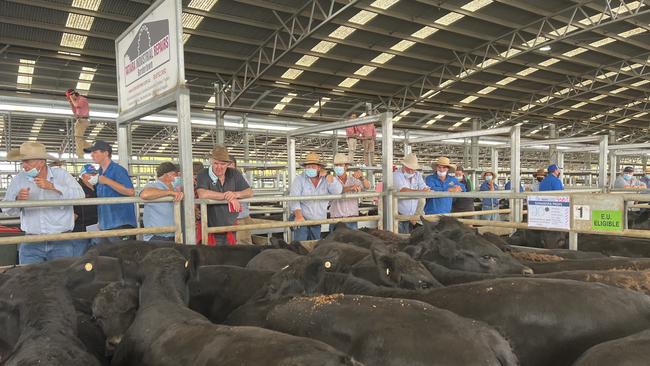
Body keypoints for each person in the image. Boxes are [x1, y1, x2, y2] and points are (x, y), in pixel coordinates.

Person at [2, 142, 84, 264]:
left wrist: (54, 187)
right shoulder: (19, 179)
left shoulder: (62, 175)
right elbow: (7, 209)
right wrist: (18, 201)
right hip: (31, 241)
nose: (24, 165)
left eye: (27, 161)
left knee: (61, 279)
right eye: (22, 162)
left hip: (61, 240)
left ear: (41, 161)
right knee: (27, 280)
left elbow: (81, 196)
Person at [196, 146, 253, 246]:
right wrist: (227, 196)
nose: (219, 167)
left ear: (228, 164)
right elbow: (202, 193)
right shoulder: (203, 174)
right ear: (211, 162)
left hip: (231, 228)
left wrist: (235, 194)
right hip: (210, 228)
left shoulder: (234, 173)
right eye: (216, 163)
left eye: (223, 164)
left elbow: (249, 192)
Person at [82, 140, 137, 240]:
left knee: (122, 254)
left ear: (106, 153)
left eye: (95, 152)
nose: (92, 155)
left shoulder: (118, 170)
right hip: (106, 225)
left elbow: (130, 192)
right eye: (91, 153)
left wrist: (107, 181)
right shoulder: (99, 172)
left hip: (121, 224)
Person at [288, 152, 343, 240]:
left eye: (313, 166)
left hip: (317, 220)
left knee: (315, 243)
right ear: (305, 168)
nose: (310, 168)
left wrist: (329, 177)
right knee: (301, 243)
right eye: (308, 166)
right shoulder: (299, 179)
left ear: (319, 168)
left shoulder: (326, 179)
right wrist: (298, 216)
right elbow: (294, 198)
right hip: (301, 217)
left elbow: (338, 191)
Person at [139, 162, 184, 241]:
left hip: (174, 234)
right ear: (167, 175)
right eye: (176, 175)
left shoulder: (177, 189)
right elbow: (144, 194)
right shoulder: (153, 186)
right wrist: (169, 193)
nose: (178, 177)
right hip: (156, 237)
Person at [329, 153, 371, 231]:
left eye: (340, 165)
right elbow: (336, 190)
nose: (338, 167)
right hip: (336, 219)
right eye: (336, 165)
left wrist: (362, 178)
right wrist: (351, 187)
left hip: (352, 218)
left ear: (346, 166)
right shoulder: (332, 181)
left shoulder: (353, 179)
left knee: (352, 241)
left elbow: (367, 186)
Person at [394, 153, 430, 234]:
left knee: (408, 237)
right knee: (401, 237)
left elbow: (424, 187)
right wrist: (420, 192)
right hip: (399, 215)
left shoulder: (417, 175)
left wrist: (425, 190)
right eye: (408, 168)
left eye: (413, 169)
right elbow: (402, 190)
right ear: (403, 166)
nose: (411, 171)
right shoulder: (396, 175)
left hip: (412, 216)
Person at [72, 163, 99, 254]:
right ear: (83, 175)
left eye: (95, 174)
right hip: (80, 229)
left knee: (96, 255)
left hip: (96, 227)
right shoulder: (76, 188)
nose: (94, 176)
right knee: (80, 256)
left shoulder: (98, 188)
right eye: (91, 174)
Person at [229, 157, 254, 245]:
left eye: (231, 164)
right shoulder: (219, 177)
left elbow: (249, 192)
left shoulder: (240, 177)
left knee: (243, 243)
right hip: (225, 217)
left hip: (241, 216)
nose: (229, 167)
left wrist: (235, 195)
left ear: (235, 166)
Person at [65, 88, 92, 158]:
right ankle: (91, 147)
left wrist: (71, 99)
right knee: (77, 138)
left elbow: (77, 105)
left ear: (73, 94)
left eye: (70, 96)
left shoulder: (82, 99)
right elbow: (74, 111)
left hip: (83, 120)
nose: (70, 98)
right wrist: (71, 103)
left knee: (78, 138)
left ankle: (80, 155)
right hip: (80, 120)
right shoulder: (76, 101)